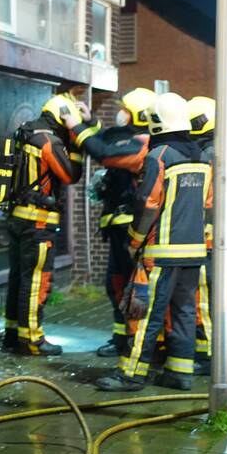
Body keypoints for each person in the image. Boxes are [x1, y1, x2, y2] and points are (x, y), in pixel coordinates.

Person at [95, 92, 211, 392]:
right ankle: (179, 373)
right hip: (193, 253)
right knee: (184, 311)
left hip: (160, 252)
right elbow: (207, 203)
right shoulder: (199, 156)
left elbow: (147, 203)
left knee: (144, 313)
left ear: (156, 122)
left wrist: (134, 240)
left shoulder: (158, 157)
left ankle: (131, 375)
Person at [68, 88, 154, 361]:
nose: (121, 113)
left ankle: (133, 342)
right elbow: (106, 138)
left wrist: (75, 127)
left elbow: (103, 151)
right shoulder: (129, 138)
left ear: (136, 115)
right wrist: (90, 122)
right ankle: (121, 337)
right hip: (118, 224)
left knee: (131, 287)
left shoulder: (142, 143)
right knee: (115, 283)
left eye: (125, 109)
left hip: (130, 226)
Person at [2, 93, 84, 356]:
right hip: (38, 221)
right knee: (36, 279)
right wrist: (78, 143)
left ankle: (12, 335)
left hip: (17, 217)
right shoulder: (48, 141)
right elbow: (71, 174)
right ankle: (33, 341)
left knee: (17, 277)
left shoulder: (23, 133)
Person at [186, 96, 216, 376]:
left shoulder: (207, 154)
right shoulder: (214, 149)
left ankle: (207, 356)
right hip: (211, 237)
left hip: (206, 237)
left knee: (203, 300)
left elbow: (204, 200)